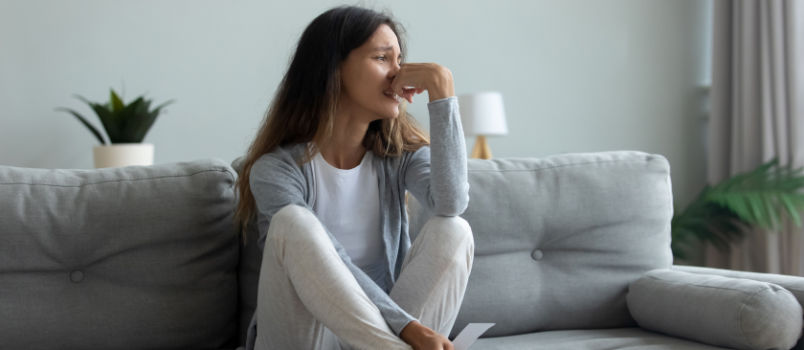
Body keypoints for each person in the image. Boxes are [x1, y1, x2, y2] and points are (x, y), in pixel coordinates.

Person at [234, 5, 473, 350]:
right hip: (303, 338)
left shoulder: (399, 156)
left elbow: (451, 202)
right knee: (293, 223)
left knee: (454, 229)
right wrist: (408, 329)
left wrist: (442, 90)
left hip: (374, 335)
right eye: (382, 58)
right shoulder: (276, 170)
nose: (398, 74)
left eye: (399, 60)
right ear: (333, 69)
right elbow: (334, 261)